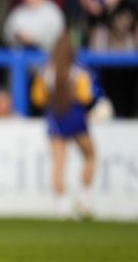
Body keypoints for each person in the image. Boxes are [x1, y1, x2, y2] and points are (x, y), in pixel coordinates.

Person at [31, 35, 96, 219]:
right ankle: (84, 200)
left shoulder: (46, 71)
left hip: (55, 116)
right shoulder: (79, 71)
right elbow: (86, 97)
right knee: (90, 155)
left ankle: (63, 206)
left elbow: (38, 98)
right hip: (75, 116)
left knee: (59, 163)